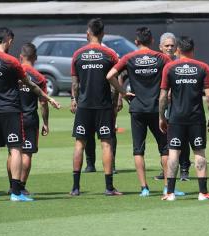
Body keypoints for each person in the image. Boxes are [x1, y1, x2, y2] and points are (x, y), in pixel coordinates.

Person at [0, 27, 60, 202]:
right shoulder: (11, 61)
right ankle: (16, 192)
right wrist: (48, 98)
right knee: (16, 150)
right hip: (12, 111)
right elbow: (30, 85)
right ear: (9, 41)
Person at [107, 27, 175, 197]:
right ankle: (167, 187)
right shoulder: (162, 58)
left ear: (136, 42)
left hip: (137, 108)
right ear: (152, 41)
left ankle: (144, 188)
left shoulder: (129, 58)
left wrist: (123, 92)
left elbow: (110, 76)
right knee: (165, 149)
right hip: (156, 109)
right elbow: (174, 74)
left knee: (138, 149)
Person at [69, 18, 134, 196]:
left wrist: (74, 99)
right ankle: (109, 187)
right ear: (103, 34)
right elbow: (115, 79)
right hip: (103, 106)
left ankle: (75, 188)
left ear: (87, 34)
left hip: (83, 106)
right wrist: (120, 96)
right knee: (106, 144)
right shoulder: (110, 54)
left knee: (79, 144)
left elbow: (75, 84)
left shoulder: (78, 54)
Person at [159, 36, 209, 201]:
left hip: (176, 118)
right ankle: (203, 193)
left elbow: (163, 96)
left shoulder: (169, 67)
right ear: (193, 50)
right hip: (196, 118)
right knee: (199, 152)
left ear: (177, 50)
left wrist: (162, 116)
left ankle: (169, 193)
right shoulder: (203, 67)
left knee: (173, 153)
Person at [6, 43, 50, 196]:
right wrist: (45, 123)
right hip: (30, 118)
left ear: (20, 56)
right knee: (26, 153)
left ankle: (12, 185)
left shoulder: (12, 72)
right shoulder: (39, 78)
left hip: (12, 117)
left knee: (12, 153)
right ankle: (21, 186)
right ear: (35, 58)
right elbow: (43, 103)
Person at [154, 32, 191, 182]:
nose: (169, 48)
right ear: (160, 47)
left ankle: (184, 168)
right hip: (164, 104)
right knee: (164, 138)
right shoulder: (157, 62)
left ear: (177, 47)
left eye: (172, 45)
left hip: (179, 104)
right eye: (167, 45)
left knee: (183, 137)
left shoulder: (180, 62)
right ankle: (167, 170)